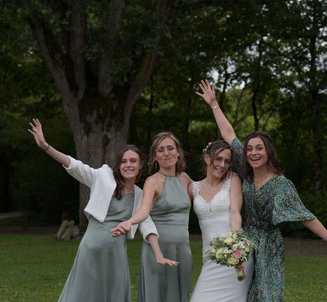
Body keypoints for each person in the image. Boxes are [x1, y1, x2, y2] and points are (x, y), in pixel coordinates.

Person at [196, 80, 327, 302]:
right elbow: (228, 133)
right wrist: (213, 103)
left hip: (268, 247)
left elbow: (304, 216)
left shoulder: (281, 185)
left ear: (268, 152)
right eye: (249, 149)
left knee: (265, 296)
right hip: (244, 242)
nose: (253, 153)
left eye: (259, 148)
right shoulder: (246, 173)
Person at [27, 118, 158, 302]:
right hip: (92, 248)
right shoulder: (103, 176)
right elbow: (75, 166)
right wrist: (45, 146)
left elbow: (146, 221)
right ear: (119, 165)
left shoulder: (139, 194)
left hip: (116, 254)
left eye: (133, 161)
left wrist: (158, 252)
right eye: (124, 161)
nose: (128, 165)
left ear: (140, 165)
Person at [111, 132, 193, 302]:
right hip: (159, 249)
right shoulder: (153, 181)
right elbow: (144, 209)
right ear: (155, 157)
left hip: (183, 251)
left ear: (178, 153)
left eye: (170, 148)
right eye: (161, 150)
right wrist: (130, 222)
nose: (166, 153)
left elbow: (207, 195)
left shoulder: (184, 178)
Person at [189, 140, 254, 302]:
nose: (222, 165)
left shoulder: (233, 181)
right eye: (218, 159)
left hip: (234, 257)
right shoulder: (192, 187)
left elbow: (235, 214)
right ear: (206, 158)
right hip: (210, 257)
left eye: (226, 161)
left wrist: (237, 249)